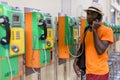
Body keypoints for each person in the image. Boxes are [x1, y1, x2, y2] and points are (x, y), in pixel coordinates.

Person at [73, 2, 114, 80]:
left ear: (98, 16)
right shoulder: (86, 31)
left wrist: (95, 30)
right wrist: (75, 63)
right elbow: (81, 49)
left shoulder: (107, 31)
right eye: (88, 14)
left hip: (100, 72)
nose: (88, 17)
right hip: (89, 71)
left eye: (92, 14)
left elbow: (100, 50)